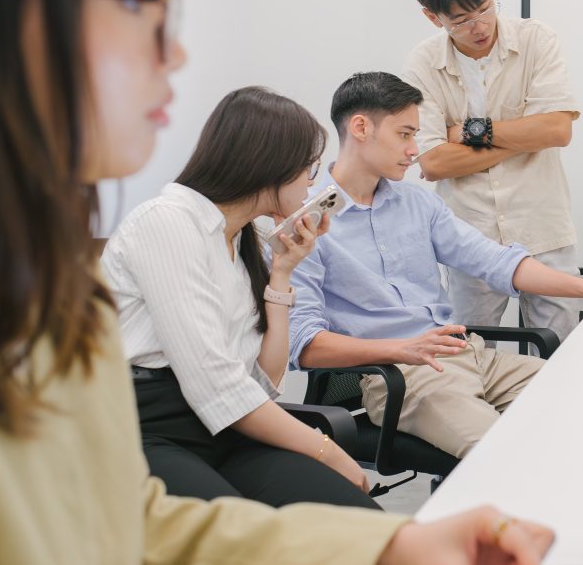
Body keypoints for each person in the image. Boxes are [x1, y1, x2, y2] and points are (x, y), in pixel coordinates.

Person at [0, 0, 553, 562]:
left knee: (364, 506)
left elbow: (138, 513)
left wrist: (390, 544)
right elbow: (223, 396)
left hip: (233, 416)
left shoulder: (54, 285)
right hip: (200, 417)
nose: (175, 52)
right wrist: (337, 450)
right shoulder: (161, 227)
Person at [289, 72, 583, 458]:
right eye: (405, 134)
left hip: (469, 356)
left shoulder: (417, 204)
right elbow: (305, 345)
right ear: (360, 127)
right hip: (402, 378)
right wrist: (402, 348)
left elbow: (494, 261)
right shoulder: (305, 223)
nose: (414, 150)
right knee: (505, 455)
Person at [102, 86, 377, 508]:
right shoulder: (168, 223)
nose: (313, 182)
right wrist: (328, 450)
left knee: (356, 517)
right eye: (309, 167)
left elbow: (264, 383)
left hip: (228, 424)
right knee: (245, 537)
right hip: (148, 426)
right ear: (270, 165)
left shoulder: (247, 239)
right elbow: (217, 386)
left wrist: (283, 273)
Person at [403, 0, 583, 344]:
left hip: (543, 226)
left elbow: (557, 131)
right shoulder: (421, 64)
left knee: (563, 351)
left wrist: (469, 133)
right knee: (469, 355)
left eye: (485, 7)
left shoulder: (537, 41)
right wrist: (525, 135)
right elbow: (433, 163)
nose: (479, 26)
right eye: (462, 19)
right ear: (433, 18)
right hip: (470, 235)